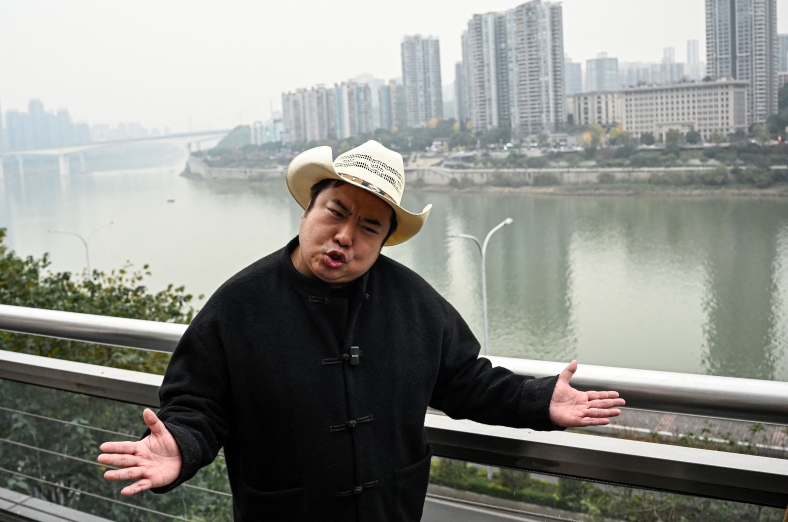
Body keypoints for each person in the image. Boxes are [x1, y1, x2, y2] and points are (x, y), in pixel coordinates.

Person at [98, 140, 625, 521]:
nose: (345, 236)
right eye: (336, 212)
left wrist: (538, 400)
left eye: (369, 227)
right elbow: (198, 405)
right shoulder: (240, 304)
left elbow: (466, 379)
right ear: (308, 209)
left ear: (384, 241)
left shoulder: (414, 302)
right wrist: (180, 447)